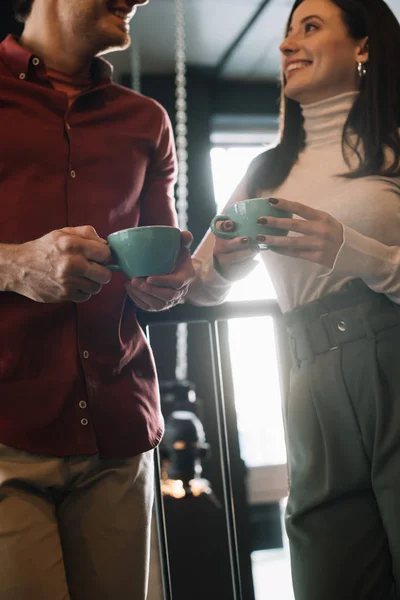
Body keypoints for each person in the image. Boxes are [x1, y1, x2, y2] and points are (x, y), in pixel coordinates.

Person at [186, 0, 400, 598]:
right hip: (306, 378)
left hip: (393, 354)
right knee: (327, 572)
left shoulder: (395, 149)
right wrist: (226, 268)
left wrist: (357, 252)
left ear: (364, 46)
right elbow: (199, 283)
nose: (287, 45)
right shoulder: (264, 171)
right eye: (285, 33)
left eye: (310, 27)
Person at [0, 0, 194, 598]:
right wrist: (13, 264)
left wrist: (166, 284)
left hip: (118, 430)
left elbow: (162, 266)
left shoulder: (149, 121)